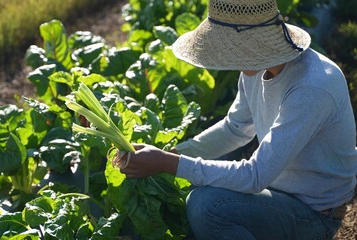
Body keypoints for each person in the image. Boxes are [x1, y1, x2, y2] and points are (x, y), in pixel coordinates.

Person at [119, 0, 357, 239]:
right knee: (196, 189)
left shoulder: (313, 86)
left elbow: (255, 176)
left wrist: (168, 163)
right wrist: (173, 152)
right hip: (277, 194)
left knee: (207, 206)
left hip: (315, 214)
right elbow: (235, 128)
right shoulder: (255, 66)